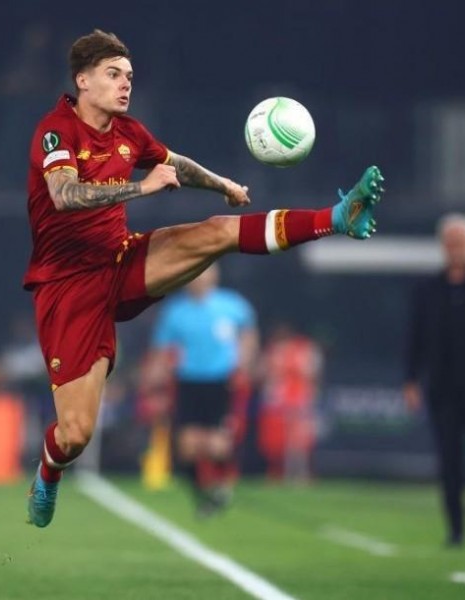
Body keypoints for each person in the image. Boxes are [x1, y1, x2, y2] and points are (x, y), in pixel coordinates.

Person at [22, 29, 384, 528]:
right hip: (66, 289)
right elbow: (64, 195)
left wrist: (222, 185)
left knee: (217, 232)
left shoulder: (129, 133)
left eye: (129, 76)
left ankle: (337, 216)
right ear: (82, 80)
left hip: (121, 263)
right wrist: (142, 187)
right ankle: (48, 472)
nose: (125, 84)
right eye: (113, 75)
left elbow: (175, 163)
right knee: (75, 435)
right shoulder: (56, 131)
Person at [402, 213, 465, 548]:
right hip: (443, 388)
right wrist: (411, 380)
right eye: (450, 244)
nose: (456, 250)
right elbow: (414, 338)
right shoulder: (427, 289)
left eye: (461, 243)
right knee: (450, 462)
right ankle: (457, 529)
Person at [148, 264, 257, 516]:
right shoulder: (175, 311)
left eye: (205, 273)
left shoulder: (232, 305)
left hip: (221, 382)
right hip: (188, 382)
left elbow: (249, 335)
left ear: (215, 276)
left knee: (217, 444)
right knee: (187, 446)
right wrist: (155, 380)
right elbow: (162, 350)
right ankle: (203, 497)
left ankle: (221, 486)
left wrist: (246, 360)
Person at [257, 323, 323, 483]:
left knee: (298, 440)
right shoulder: (274, 351)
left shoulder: (304, 349)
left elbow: (313, 373)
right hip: (280, 400)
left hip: (298, 398)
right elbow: (264, 374)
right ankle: (278, 472)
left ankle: (300, 474)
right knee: (277, 440)